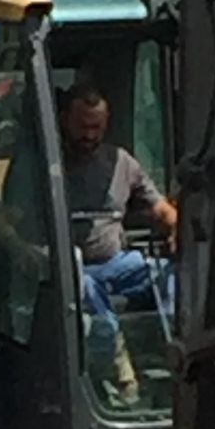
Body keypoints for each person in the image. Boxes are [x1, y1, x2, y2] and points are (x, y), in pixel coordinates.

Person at [57, 83, 176, 398]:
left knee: (166, 275)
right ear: (65, 119)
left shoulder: (121, 162)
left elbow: (160, 207)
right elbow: (12, 220)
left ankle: (177, 359)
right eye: (82, 127)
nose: (89, 135)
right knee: (84, 289)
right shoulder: (46, 165)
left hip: (117, 263)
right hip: (67, 268)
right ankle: (118, 375)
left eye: (96, 127)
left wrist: (178, 228)